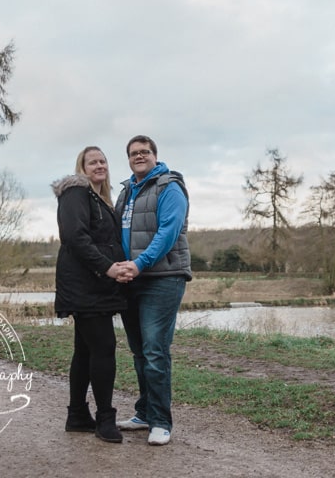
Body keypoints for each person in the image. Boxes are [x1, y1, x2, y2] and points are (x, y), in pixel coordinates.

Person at [113, 135, 191, 446]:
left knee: (155, 351)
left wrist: (140, 263)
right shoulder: (126, 192)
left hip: (163, 278)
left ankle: (160, 422)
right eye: (134, 153)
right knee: (139, 351)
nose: (139, 156)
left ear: (155, 156)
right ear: (129, 159)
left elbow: (168, 232)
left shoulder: (169, 187)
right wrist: (119, 268)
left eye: (145, 151)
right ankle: (144, 413)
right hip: (132, 280)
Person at [51, 146, 128, 444]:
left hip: (95, 286)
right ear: (82, 168)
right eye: (92, 162)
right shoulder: (76, 193)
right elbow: (75, 237)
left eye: (103, 161)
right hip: (85, 286)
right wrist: (108, 268)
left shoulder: (100, 199)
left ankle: (77, 416)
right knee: (104, 347)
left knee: (85, 350)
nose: (99, 165)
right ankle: (105, 419)